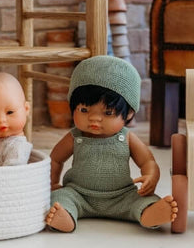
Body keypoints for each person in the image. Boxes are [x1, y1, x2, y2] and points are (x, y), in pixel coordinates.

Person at [45, 55, 177, 233]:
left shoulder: (127, 137)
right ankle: (66, 215)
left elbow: (148, 161)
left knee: (144, 200)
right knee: (60, 198)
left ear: (129, 113)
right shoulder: (75, 137)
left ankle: (150, 213)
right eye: (84, 110)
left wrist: (151, 177)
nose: (94, 118)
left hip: (122, 196)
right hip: (79, 194)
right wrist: (52, 184)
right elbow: (55, 159)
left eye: (108, 112)